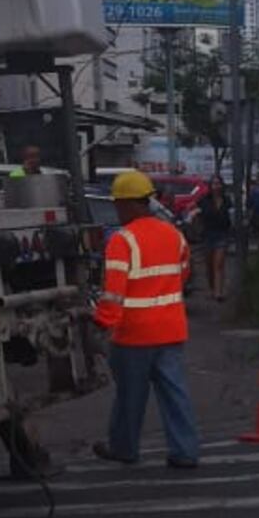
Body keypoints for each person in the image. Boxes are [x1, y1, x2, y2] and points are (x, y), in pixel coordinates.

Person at [91, 169, 200, 470]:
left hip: (134, 335)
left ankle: (125, 448)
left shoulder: (122, 241)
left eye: (117, 204)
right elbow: (183, 275)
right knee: (175, 394)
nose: (116, 210)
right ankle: (185, 451)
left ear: (128, 204)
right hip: (171, 328)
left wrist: (101, 322)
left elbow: (114, 291)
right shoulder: (173, 235)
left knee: (130, 397)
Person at [197, 176, 233, 299]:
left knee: (219, 263)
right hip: (208, 234)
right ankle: (212, 287)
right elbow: (197, 212)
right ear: (210, 186)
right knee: (209, 265)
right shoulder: (204, 200)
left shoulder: (227, 200)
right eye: (214, 184)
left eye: (218, 183)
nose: (216, 186)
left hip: (222, 234)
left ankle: (218, 292)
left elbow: (230, 215)